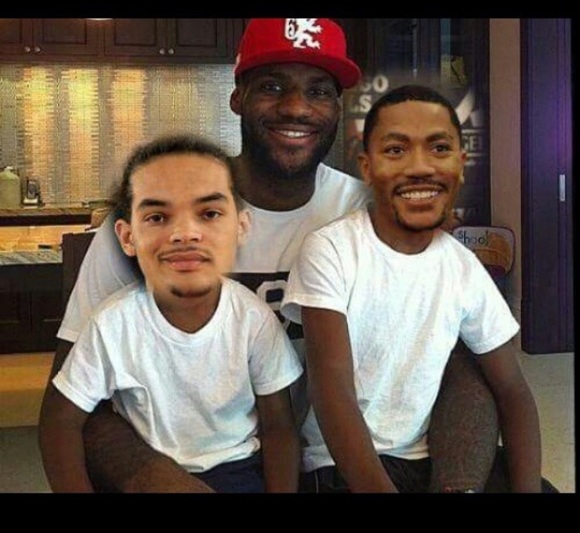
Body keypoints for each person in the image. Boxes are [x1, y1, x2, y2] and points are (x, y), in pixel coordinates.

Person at [47, 18, 500, 493]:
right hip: (194, 464)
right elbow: (73, 399)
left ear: (338, 107)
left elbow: (460, 362)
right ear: (237, 97)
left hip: (343, 461)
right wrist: (153, 476)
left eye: (318, 90)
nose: (296, 107)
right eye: (272, 86)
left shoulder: (375, 214)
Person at [280, 84, 549, 493]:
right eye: (396, 150)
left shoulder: (461, 267)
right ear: (368, 167)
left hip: (423, 459)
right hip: (341, 464)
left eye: (439, 148)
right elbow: (332, 390)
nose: (420, 167)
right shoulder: (332, 250)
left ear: (460, 164)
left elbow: (512, 389)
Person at [39, 135, 303, 493]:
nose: (185, 234)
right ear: (128, 237)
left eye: (209, 214)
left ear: (240, 227)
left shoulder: (253, 320)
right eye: (158, 217)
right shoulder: (112, 325)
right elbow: (61, 421)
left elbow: (279, 427)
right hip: (146, 473)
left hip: (238, 473)